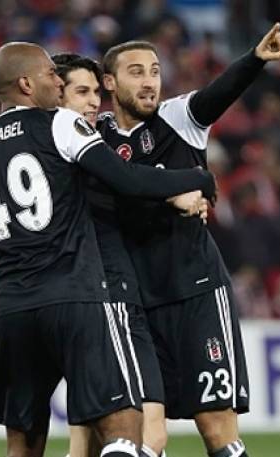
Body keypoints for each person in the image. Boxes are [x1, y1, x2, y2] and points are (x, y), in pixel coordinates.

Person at [0, 42, 216, 457]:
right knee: (125, 427)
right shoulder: (58, 124)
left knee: (22, 442)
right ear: (24, 84)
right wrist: (194, 178)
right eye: (49, 75)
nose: (58, 81)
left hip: (12, 308)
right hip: (76, 296)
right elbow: (127, 179)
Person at [97, 23, 280, 457]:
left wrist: (255, 59)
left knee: (216, 427)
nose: (149, 81)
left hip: (197, 292)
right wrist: (176, 191)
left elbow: (218, 94)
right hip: (137, 304)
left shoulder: (178, 118)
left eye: (154, 71)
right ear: (109, 82)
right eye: (135, 72)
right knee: (144, 431)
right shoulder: (96, 139)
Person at [52, 52, 205, 457]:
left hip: (63, 295)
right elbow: (126, 183)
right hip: (109, 291)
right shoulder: (80, 148)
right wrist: (192, 183)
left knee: (83, 440)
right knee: (148, 432)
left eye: (94, 92)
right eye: (81, 92)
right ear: (56, 96)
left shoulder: (41, 149)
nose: (92, 102)